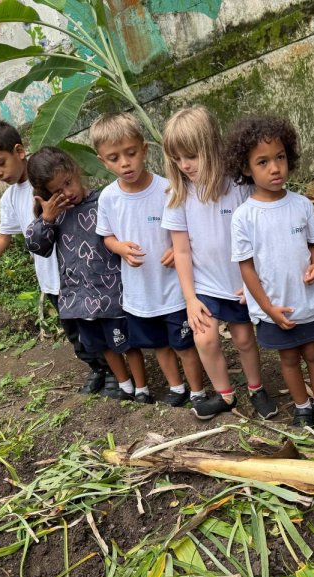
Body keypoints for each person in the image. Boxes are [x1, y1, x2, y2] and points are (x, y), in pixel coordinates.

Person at [0, 120, 112, 395]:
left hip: (79, 275)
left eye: (0, 162)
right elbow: (3, 236)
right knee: (75, 334)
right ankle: (98, 369)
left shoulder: (48, 183)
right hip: (52, 281)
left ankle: (116, 373)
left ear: (19, 151)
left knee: (95, 326)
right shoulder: (9, 198)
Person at [161, 106, 277, 421]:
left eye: (191, 156)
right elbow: (181, 251)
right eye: (177, 158)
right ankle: (225, 395)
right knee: (204, 336)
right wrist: (190, 299)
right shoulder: (178, 194)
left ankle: (256, 388)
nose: (184, 165)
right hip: (205, 284)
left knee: (243, 338)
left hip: (238, 281)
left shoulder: (239, 186)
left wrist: (255, 282)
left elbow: (259, 236)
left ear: (211, 146)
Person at [226, 116, 314, 433]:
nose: (275, 168)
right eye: (263, 162)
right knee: (288, 359)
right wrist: (268, 308)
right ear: (246, 169)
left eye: (280, 157)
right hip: (274, 306)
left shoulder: (302, 205)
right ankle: (302, 407)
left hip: (306, 301)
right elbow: (246, 268)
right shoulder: (244, 217)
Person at [90, 112, 206, 406]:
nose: (125, 163)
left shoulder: (168, 188)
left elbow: (189, 229)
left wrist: (176, 248)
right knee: (159, 347)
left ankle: (197, 390)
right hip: (139, 293)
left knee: (183, 344)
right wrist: (119, 248)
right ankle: (176, 388)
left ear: (144, 149)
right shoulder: (108, 198)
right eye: (114, 158)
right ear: (103, 161)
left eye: (130, 153)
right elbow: (106, 236)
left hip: (173, 289)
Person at [24, 147, 150, 402]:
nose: (67, 192)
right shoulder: (54, 216)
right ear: (46, 193)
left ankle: (142, 388)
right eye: (57, 190)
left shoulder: (105, 200)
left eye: (68, 183)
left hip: (111, 292)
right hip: (78, 298)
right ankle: (125, 385)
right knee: (103, 346)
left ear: (76, 170)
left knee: (126, 343)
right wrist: (47, 218)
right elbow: (38, 247)